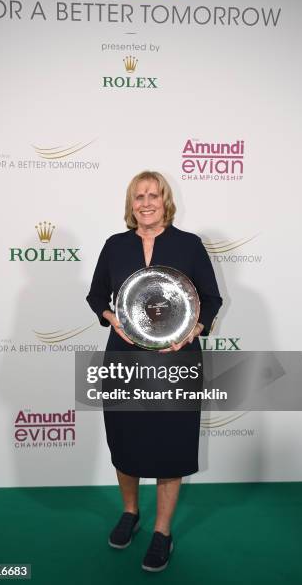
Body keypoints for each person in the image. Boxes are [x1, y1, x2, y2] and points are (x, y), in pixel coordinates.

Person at [86, 170, 222, 572]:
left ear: (166, 201)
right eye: (138, 196)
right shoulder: (115, 246)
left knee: (171, 444)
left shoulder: (189, 246)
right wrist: (114, 319)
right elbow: (96, 297)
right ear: (131, 204)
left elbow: (210, 300)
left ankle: (162, 531)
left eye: (153, 195)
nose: (146, 203)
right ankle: (131, 512)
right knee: (125, 439)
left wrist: (193, 330)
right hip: (125, 360)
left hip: (176, 361)